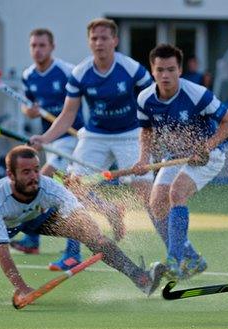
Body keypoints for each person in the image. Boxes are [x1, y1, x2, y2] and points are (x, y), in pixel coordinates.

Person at [0, 146, 165, 301]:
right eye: (26, 172)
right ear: (10, 175)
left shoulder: (49, 187)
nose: (34, 176)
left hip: (35, 214)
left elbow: (79, 214)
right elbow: (1, 250)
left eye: (36, 169)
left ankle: (140, 278)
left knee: (90, 234)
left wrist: (94, 235)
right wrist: (22, 288)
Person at [29, 18, 156, 242]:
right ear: (89, 42)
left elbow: (152, 103)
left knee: (145, 191)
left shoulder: (131, 68)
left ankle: (176, 252)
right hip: (95, 135)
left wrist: (155, 136)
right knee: (73, 187)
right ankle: (109, 211)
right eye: (94, 38)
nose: (99, 43)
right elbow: (68, 114)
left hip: (130, 134)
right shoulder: (80, 72)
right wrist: (45, 138)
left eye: (104, 38)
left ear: (115, 40)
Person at [135, 44, 228, 280]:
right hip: (173, 157)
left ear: (180, 70)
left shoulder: (198, 94)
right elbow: (147, 131)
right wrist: (143, 159)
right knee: (157, 204)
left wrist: (206, 147)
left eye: (171, 69)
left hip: (207, 157)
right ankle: (192, 259)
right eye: (160, 70)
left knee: (177, 193)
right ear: (152, 70)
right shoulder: (145, 98)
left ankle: (174, 260)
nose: (165, 75)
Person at [8, 28, 87, 271]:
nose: (37, 50)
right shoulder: (28, 75)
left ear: (52, 47)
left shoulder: (66, 71)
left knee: (45, 182)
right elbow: (28, 105)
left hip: (72, 140)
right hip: (50, 140)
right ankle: (33, 239)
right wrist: (28, 111)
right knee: (61, 190)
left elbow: (80, 98)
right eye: (33, 45)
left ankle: (73, 253)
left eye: (42, 45)